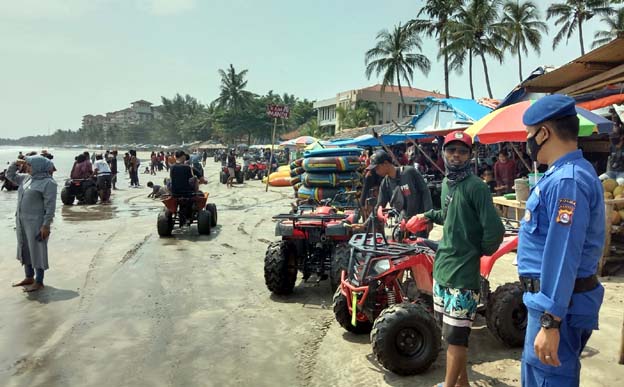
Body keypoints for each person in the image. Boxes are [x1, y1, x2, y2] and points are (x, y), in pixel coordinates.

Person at [517, 95, 605, 387]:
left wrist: (550, 322)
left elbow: (563, 253)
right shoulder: (562, 175)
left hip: (556, 309)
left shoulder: (568, 180)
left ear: (544, 133)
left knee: (549, 379)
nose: (527, 142)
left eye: (530, 135)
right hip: (549, 304)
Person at [417, 131, 504, 387]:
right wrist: (428, 215)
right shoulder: (447, 183)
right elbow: (449, 214)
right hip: (443, 269)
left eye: (462, 151)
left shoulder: (476, 186)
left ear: (470, 155)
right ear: (444, 153)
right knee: (449, 337)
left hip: (463, 277)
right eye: (451, 150)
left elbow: (495, 230)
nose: (456, 155)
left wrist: (478, 250)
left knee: (456, 339)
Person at [6, 155, 57, 292]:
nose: (27, 167)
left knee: (37, 250)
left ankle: (39, 281)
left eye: (30, 165)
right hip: (22, 221)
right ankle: (29, 277)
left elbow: (50, 206)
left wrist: (46, 225)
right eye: (27, 165)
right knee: (25, 248)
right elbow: (9, 175)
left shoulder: (49, 183)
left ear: (39, 166)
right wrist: (16, 163)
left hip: (36, 222)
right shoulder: (27, 179)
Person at [367, 149, 433, 237]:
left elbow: (426, 193)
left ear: (386, 163)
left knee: (419, 247)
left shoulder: (409, 172)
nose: (376, 171)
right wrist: (364, 224)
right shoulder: (385, 183)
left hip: (418, 222)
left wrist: (429, 218)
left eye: (377, 167)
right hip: (402, 224)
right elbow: (379, 206)